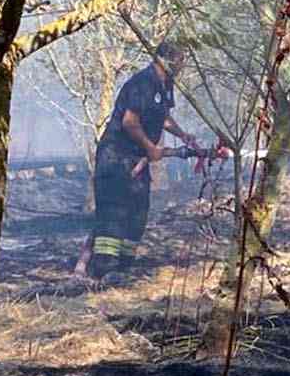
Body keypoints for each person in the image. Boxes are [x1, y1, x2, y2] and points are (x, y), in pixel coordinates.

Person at [74, 41, 203, 279]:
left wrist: (183, 135)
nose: (182, 65)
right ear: (166, 59)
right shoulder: (142, 83)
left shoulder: (165, 85)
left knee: (138, 212)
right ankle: (102, 268)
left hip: (137, 159)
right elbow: (129, 122)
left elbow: (162, 117)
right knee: (113, 214)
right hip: (116, 156)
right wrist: (151, 148)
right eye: (180, 59)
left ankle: (122, 268)